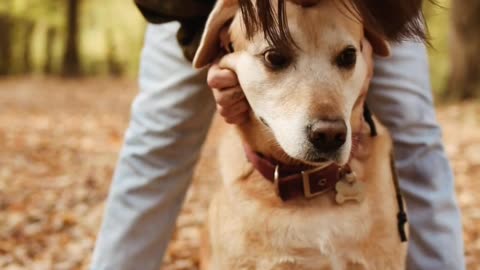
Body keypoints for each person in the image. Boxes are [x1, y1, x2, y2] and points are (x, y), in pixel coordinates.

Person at [90, 1, 466, 269]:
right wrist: (221, 44)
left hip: (367, 6)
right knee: (159, 137)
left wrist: (362, 38)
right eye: (276, 59)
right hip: (199, 7)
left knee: (415, 131)